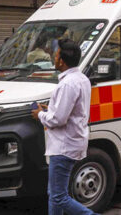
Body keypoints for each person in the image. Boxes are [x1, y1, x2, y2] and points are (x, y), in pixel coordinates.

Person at [31, 39, 94, 215]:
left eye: (56, 54)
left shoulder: (67, 83)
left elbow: (58, 119)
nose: (53, 57)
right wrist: (49, 109)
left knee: (58, 196)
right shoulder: (81, 79)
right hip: (71, 142)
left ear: (61, 61)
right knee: (54, 195)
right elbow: (68, 110)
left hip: (63, 146)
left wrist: (40, 115)